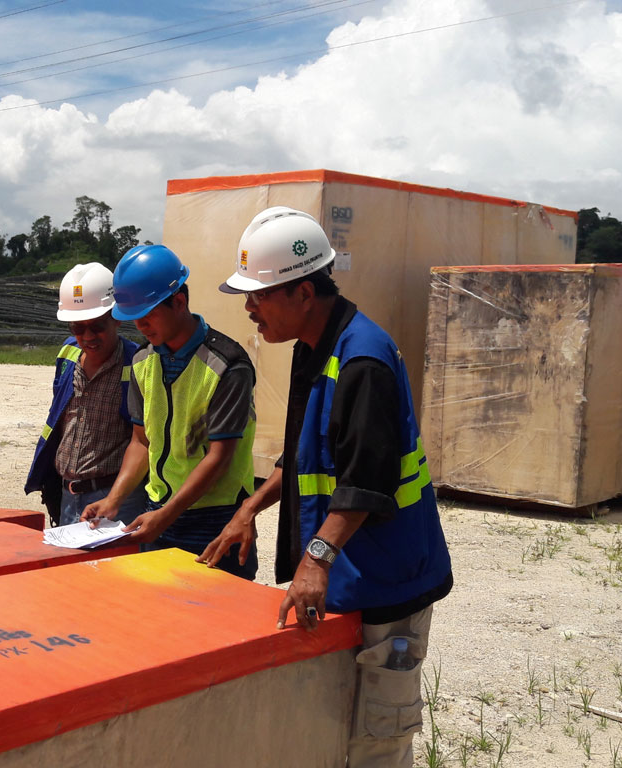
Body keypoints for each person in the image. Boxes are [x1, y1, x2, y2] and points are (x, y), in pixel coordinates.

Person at [197, 207, 453, 767]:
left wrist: (315, 558)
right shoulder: (315, 348)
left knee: (377, 740)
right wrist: (251, 509)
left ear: (304, 292)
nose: (249, 309)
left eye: (259, 296)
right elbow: (306, 453)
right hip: (350, 575)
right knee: (335, 729)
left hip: (388, 580)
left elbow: (367, 480)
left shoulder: (362, 358)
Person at [81, 244, 258, 580]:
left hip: (214, 519)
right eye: (135, 318)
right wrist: (113, 500)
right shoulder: (142, 361)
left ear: (179, 302)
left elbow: (219, 457)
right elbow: (141, 442)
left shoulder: (228, 365)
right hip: (157, 511)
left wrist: (167, 515)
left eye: (148, 315)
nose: (141, 326)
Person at [24, 262, 148, 528]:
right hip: (68, 494)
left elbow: (144, 441)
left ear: (116, 316)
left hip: (117, 497)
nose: (87, 336)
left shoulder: (138, 363)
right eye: (78, 328)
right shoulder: (67, 354)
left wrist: (116, 497)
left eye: (97, 326)